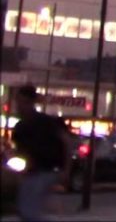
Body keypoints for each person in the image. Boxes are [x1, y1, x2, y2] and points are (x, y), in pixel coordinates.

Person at [11, 84, 71, 222]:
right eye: (18, 102)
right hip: (31, 173)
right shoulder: (20, 128)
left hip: (46, 171)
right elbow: (18, 153)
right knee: (25, 210)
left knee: (29, 211)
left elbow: (66, 142)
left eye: (21, 102)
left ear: (30, 102)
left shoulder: (47, 122)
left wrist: (66, 170)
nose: (19, 106)